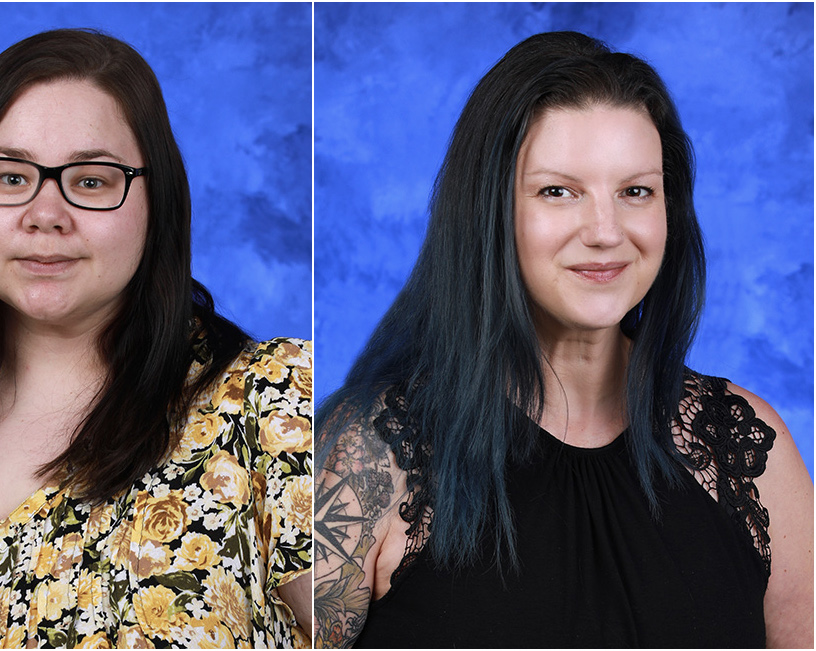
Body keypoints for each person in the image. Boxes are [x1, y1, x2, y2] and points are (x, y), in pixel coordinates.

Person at [0, 29, 314, 648]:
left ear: (158, 200)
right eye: (11, 177)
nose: (45, 213)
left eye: (92, 181)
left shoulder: (273, 403)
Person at [313, 31, 813, 648]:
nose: (605, 231)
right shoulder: (368, 459)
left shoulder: (749, 450)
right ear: (490, 209)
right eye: (558, 191)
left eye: (635, 192)